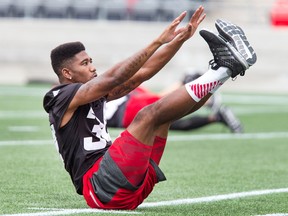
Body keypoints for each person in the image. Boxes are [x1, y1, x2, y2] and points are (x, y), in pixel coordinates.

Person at [43, 6, 257, 210]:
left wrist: (179, 40)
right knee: (147, 115)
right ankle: (226, 67)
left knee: (164, 118)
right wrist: (157, 41)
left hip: (126, 182)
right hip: (101, 186)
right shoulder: (59, 96)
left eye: (91, 61)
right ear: (67, 73)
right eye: (84, 64)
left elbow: (143, 72)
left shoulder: (88, 94)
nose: (93, 67)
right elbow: (116, 76)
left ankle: (224, 70)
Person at [105, 71, 243, 133]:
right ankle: (217, 116)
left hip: (124, 110)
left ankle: (196, 88)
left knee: (166, 105)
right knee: (174, 123)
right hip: (124, 105)